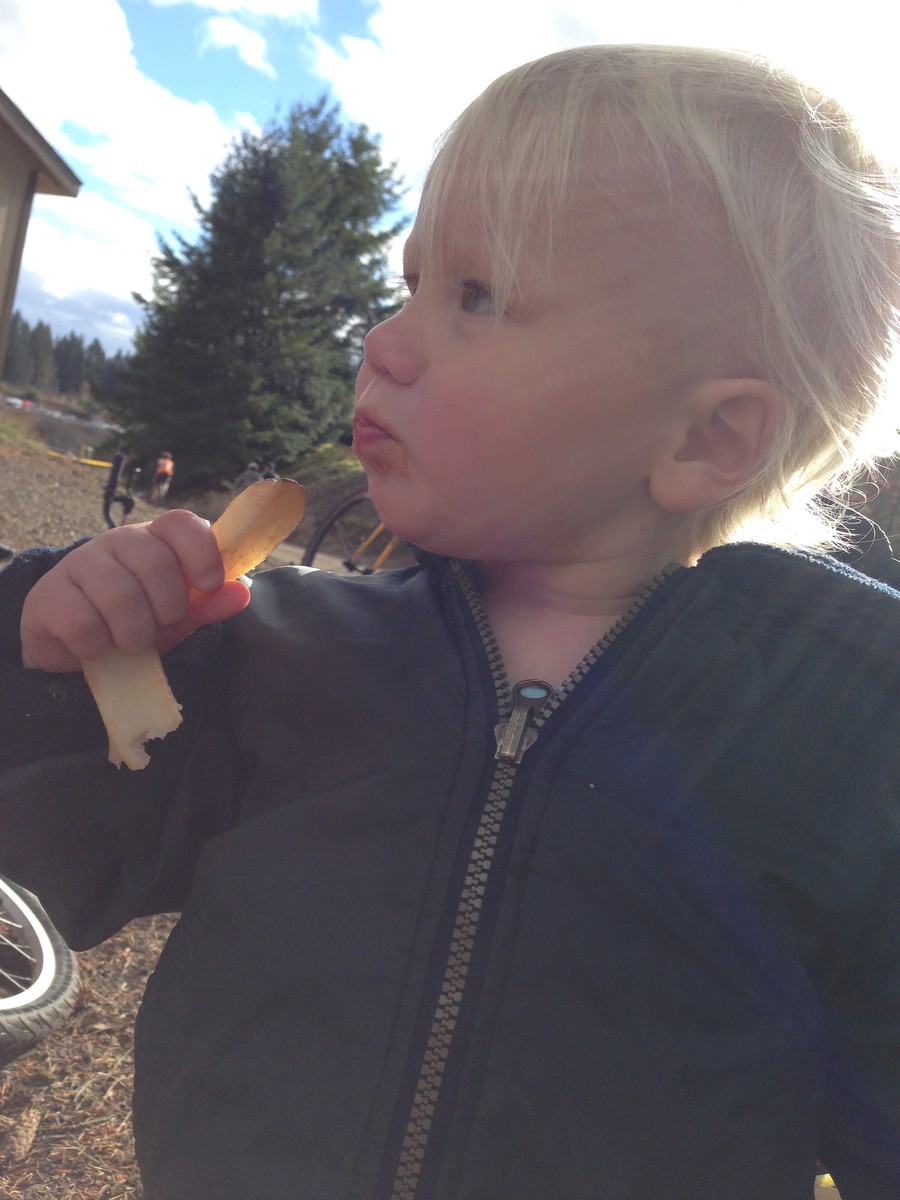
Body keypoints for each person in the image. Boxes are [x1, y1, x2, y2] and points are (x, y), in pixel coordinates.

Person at [1, 45, 899, 1200]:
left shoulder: (840, 743)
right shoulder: (277, 653)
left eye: (475, 297)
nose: (385, 339)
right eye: (410, 281)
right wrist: (57, 645)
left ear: (706, 442)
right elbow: (46, 850)